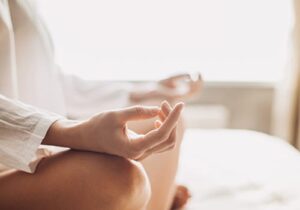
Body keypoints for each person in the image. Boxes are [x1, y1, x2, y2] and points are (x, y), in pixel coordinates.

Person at [0, 0, 202, 210]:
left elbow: (47, 79)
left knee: (162, 119)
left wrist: (143, 92)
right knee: (120, 179)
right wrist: (72, 132)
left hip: (36, 149)